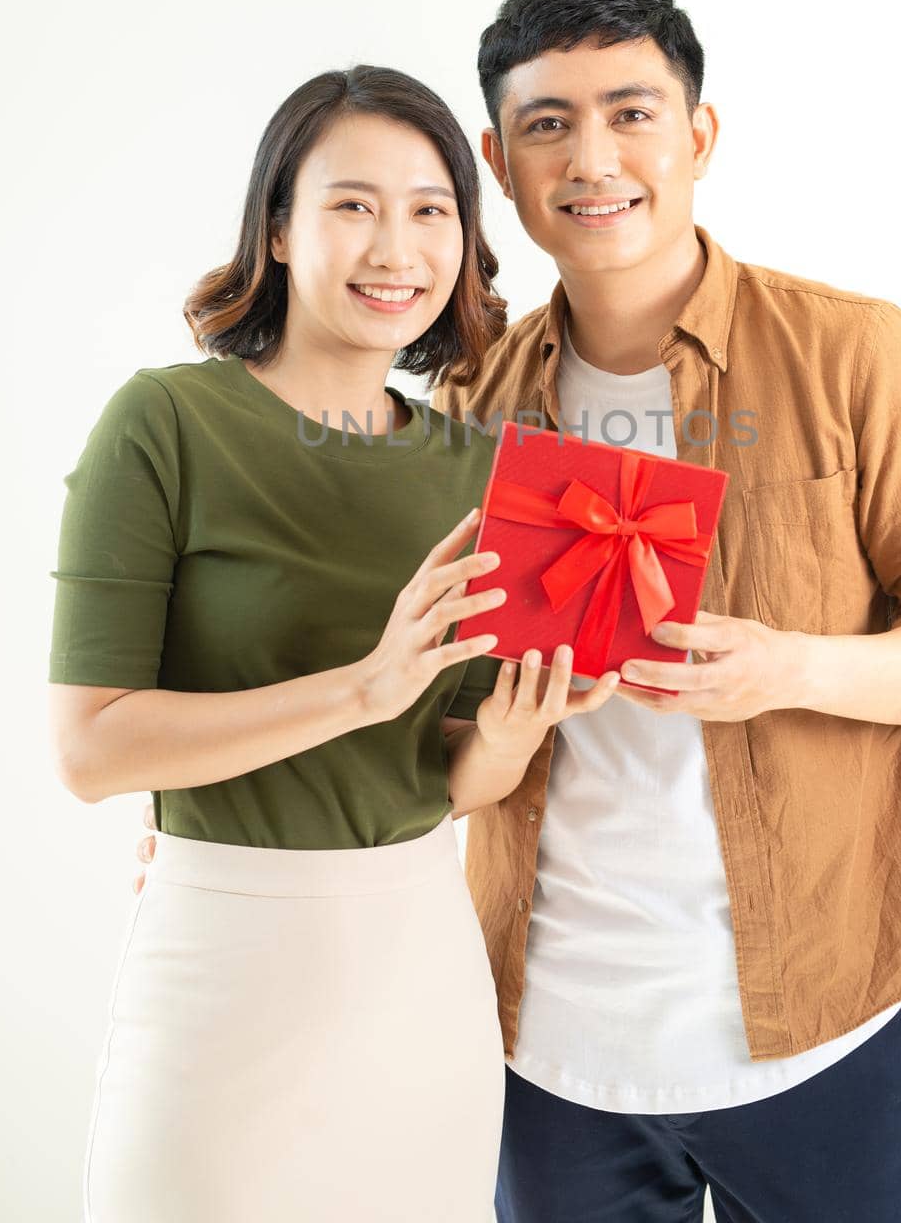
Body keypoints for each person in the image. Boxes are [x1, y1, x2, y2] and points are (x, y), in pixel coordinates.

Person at [424, 0, 901, 1222]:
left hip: (817, 1026)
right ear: (499, 157)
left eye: (632, 111)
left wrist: (791, 666)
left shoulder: (855, 351)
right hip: (551, 1051)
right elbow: (425, 717)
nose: (594, 157)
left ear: (698, 134)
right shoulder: (467, 408)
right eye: (549, 123)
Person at [47, 64, 620, 1223]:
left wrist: (509, 738)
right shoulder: (166, 423)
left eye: (430, 210)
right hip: (220, 965)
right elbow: (92, 751)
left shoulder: (479, 470)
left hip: (421, 980)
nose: (394, 247)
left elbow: (445, 779)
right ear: (277, 225)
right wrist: (362, 686)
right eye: (352, 205)